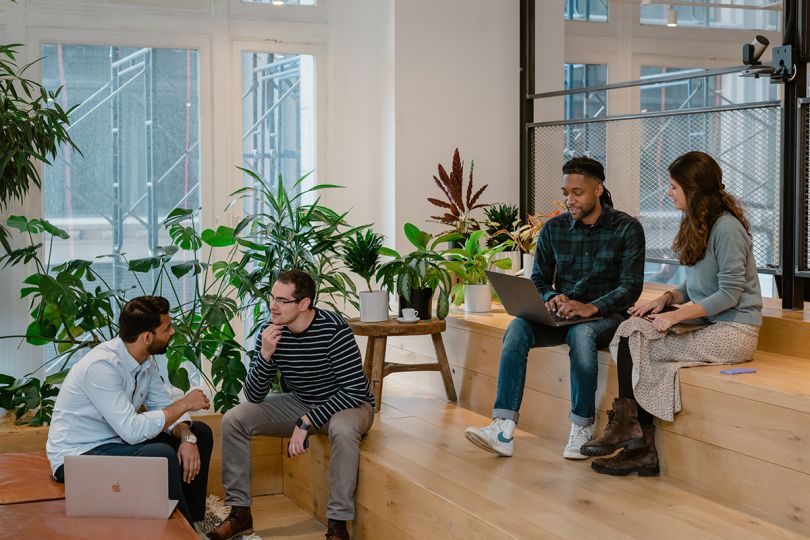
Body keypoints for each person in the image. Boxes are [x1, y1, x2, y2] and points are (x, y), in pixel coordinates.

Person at [581, 151, 762, 476]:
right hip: (712, 323)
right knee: (631, 328)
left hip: (735, 332)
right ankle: (635, 439)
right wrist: (665, 299)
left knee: (639, 345)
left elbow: (729, 293)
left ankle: (635, 440)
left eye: (673, 186)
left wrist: (674, 317)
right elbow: (693, 284)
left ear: (693, 190)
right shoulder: (699, 223)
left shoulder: (727, 229)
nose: (668, 192)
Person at [465, 156, 646, 459]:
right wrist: (550, 297)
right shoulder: (553, 229)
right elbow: (538, 277)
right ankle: (503, 427)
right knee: (517, 328)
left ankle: (581, 428)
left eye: (577, 193)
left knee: (581, 335)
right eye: (566, 193)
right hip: (561, 316)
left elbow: (630, 288)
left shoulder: (627, 229)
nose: (569, 200)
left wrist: (590, 307)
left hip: (605, 317)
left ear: (598, 190)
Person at [208, 270, 375, 540]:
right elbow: (253, 395)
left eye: (283, 301)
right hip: (301, 402)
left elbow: (354, 390)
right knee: (234, 418)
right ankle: (240, 514)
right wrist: (265, 355)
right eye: (272, 297)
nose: (273, 305)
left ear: (304, 304)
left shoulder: (334, 329)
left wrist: (307, 421)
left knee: (343, 430)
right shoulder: (271, 332)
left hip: (349, 406)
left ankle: (337, 525)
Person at [46, 295, 213, 526]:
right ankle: (182, 532)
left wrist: (188, 436)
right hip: (78, 454)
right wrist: (184, 403)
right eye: (167, 328)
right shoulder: (102, 366)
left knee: (201, 433)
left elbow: (162, 406)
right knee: (160, 455)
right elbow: (132, 431)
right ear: (147, 337)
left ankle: (193, 524)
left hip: (116, 441)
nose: (173, 332)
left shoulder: (144, 360)